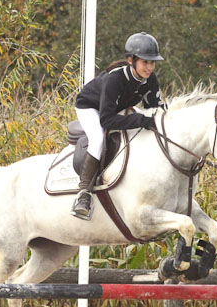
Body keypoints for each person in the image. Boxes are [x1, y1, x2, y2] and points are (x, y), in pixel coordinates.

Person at [71, 31, 165, 220]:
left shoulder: (150, 80)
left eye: (152, 62)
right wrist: (140, 120)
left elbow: (154, 109)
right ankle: (83, 194)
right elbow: (107, 120)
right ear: (131, 60)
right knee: (98, 139)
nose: (149, 67)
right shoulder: (115, 79)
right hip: (91, 107)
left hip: (117, 108)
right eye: (145, 62)